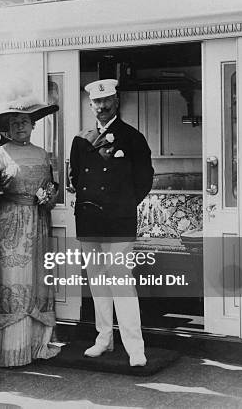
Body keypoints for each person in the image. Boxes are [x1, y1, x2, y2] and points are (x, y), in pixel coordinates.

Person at [69, 78, 154, 367]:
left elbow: (144, 181)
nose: (102, 106)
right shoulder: (81, 139)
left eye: (107, 101)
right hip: (90, 220)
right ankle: (103, 338)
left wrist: (122, 206)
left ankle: (135, 347)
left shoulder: (132, 137)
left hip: (118, 221)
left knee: (121, 282)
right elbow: (76, 177)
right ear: (90, 104)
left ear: (116, 102)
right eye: (97, 102)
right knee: (97, 281)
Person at [0, 79, 61, 367]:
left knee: (37, 280)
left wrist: (48, 196)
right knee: (13, 280)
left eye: (25, 122)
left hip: (39, 221)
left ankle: (37, 344)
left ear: (33, 125)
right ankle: (11, 349)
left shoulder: (43, 154)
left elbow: (52, 188)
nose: (20, 127)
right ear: (7, 127)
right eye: (15, 123)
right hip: (10, 224)